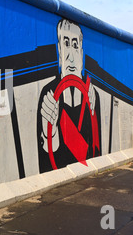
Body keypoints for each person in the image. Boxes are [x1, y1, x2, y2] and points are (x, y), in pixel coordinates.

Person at [37, 19, 101, 173]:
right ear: (59, 50)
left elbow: (97, 151)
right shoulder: (49, 94)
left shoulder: (92, 95)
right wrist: (49, 134)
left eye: (75, 45)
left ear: (81, 52)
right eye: (66, 44)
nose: (70, 57)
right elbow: (46, 165)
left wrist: (92, 115)